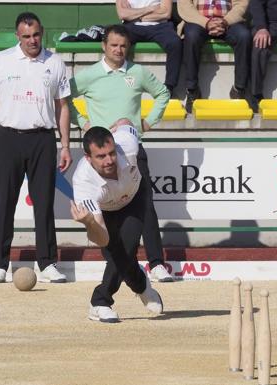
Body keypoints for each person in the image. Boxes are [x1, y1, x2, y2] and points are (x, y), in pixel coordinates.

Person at [68, 24, 174, 283]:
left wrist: (146, 123)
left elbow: (162, 93)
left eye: (123, 46)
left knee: (145, 205)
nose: (118, 50)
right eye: (113, 45)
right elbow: (64, 96)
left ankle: (156, 262)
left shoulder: (137, 72)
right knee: (106, 211)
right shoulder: (89, 75)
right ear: (103, 46)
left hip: (131, 150)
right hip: (101, 154)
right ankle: (120, 260)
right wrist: (83, 123)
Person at [0, 12, 71, 284]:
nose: (32, 40)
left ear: (43, 33)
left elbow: (63, 106)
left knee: (44, 204)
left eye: (36, 35)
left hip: (42, 139)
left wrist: (65, 144)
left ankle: (48, 262)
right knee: (4, 202)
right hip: (8, 138)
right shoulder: (2, 60)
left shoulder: (55, 63)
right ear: (17, 36)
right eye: (26, 36)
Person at [71, 125, 163, 323]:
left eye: (111, 153)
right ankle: (141, 285)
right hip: (106, 211)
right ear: (88, 158)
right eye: (101, 156)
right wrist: (88, 222)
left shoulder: (127, 144)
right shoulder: (83, 183)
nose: (109, 160)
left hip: (136, 197)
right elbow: (101, 238)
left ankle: (100, 302)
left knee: (128, 244)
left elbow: (129, 127)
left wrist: (122, 121)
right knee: (116, 253)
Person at [177, 0, 251, 112]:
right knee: (191, 36)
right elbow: (185, 5)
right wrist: (206, 22)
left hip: (227, 22)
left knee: (244, 36)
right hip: (198, 21)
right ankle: (192, 90)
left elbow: (241, 4)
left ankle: (239, 89)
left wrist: (226, 21)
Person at [116, 0, 183, 97]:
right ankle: (117, 81)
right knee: (118, 40)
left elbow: (165, 13)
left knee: (175, 43)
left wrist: (135, 14)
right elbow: (123, 14)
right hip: (132, 27)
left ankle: (169, 88)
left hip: (160, 26)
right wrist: (149, 9)